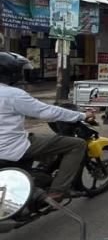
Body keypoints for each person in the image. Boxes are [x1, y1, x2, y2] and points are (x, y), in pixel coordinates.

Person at [0, 51, 95, 201]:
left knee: (43, 139)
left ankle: (40, 173)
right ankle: (58, 191)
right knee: (77, 144)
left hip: (8, 145)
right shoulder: (13, 94)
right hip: (11, 147)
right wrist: (83, 115)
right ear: (11, 73)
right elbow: (46, 112)